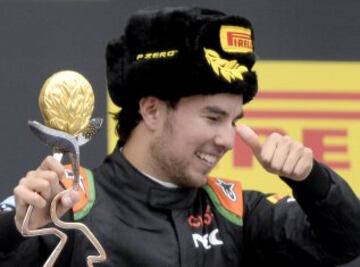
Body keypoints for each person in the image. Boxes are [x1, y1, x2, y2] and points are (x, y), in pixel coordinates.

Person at [1, 6, 360, 267]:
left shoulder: (237, 214)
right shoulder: (67, 205)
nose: (227, 140)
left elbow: (346, 243)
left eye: (234, 120)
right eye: (213, 117)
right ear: (152, 110)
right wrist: (16, 231)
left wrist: (312, 181)